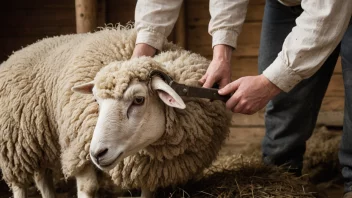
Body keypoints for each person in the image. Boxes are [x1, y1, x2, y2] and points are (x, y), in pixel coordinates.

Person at [132, 0, 352, 196]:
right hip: (285, 4)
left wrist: (269, 83)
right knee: (284, 100)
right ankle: (282, 179)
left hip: (330, 5)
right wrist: (221, 53)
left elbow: (326, 14)